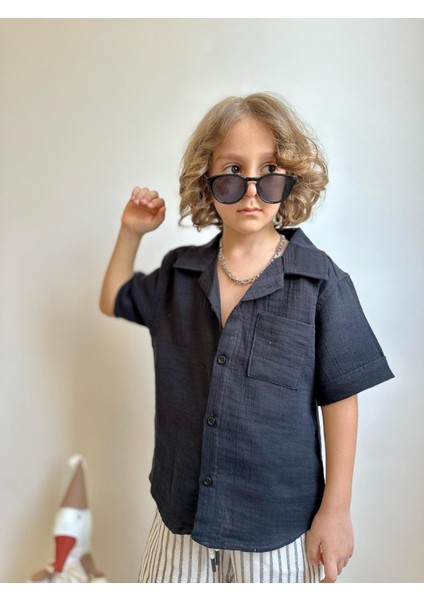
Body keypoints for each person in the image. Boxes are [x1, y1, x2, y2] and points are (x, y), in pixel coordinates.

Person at [99, 92, 394, 583]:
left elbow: (341, 397)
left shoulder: (321, 282)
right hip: (180, 519)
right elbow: (113, 299)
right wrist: (131, 232)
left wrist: (337, 510)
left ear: (291, 177)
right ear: (207, 180)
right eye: (234, 171)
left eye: (270, 170)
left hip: (277, 527)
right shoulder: (178, 274)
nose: (252, 190)